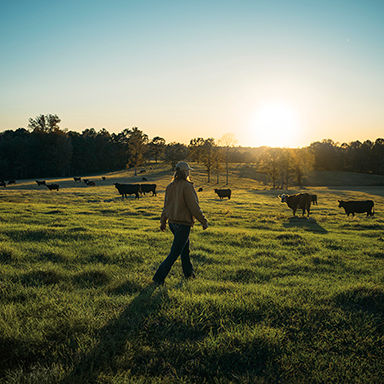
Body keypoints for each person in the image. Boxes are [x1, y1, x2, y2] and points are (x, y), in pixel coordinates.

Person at [153, 161, 208, 285]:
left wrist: (163, 221)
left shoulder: (170, 186)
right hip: (183, 224)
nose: (189, 172)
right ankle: (158, 277)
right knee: (175, 253)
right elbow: (194, 207)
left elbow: (166, 206)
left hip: (173, 224)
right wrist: (203, 221)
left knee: (184, 250)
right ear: (185, 172)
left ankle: (189, 274)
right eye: (188, 170)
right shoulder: (187, 186)